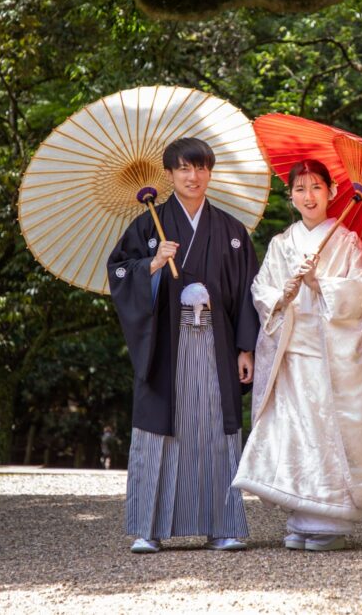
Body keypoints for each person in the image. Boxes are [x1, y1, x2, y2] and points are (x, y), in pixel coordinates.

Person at [107, 137, 259, 554]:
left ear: (210, 172)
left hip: (217, 343)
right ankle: (148, 528)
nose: (194, 177)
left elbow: (249, 291)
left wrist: (246, 349)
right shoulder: (147, 226)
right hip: (166, 346)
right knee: (160, 432)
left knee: (215, 429)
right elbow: (119, 273)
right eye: (185, 169)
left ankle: (222, 526)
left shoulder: (231, 231)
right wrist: (151, 265)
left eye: (202, 168)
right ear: (170, 174)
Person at [232, 159, 362, 551]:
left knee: (328, 431)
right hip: (291, 352)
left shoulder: (347, 242)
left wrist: (321, 283)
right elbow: (261, 290)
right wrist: (284, 293)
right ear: (291, 196)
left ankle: (329, 520)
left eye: (316, 187)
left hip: (331, 355)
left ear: (332, 193)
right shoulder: (282, 243)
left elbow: (361, 292)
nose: (308, 196)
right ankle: (301, 515)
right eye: (300, 189)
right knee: (294, 433)